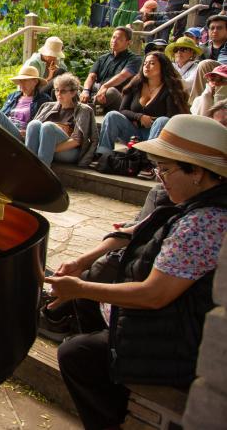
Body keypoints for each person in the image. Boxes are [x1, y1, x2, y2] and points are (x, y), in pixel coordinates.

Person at [46, 114, 227, 430]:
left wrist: (79, 288)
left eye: (165, 169)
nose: (159, 178)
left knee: (76, 354)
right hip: (171, 320)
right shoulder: (193, 202)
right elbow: (136, 230)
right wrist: (84, 262)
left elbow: (154, 295)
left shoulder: (203, 224)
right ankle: (112, 368)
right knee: (89, 294)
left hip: (179, 340)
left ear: (197, 172)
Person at [95, 52, 190, 166]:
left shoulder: (170, 88)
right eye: (145, 63)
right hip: (134, 134)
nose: (146, 66)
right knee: (112, 115)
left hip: (158, 136)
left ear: (163, 67)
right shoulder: (137, 83)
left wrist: (151, 121)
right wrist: (139, 117)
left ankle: (148, 162)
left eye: (152, 63)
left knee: (162, 120)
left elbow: (171, 119)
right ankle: (103, 156)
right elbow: (122, 110)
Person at [25, 73, 97, 167]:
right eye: (56, 90)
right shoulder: (47, 106)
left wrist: (47, 147)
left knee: (48, 126)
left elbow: (76, 141)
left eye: (63, 91)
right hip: (45, 148)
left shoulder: (83, 110)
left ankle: (42, 172)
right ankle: (27, 167)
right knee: (33, 124)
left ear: (73, 92)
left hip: (70, 152)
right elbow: (34, 133)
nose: (58, 94)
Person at [81, 27, 141, 113]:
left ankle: (88, 105)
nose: (114, 40)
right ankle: (90, 104)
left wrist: (105, 86)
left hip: (117, 97)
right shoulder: (103, 58)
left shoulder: (135, 59)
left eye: (119, 39)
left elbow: (123, 76)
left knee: (111, 91)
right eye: (113, 37)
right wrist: (85, 91)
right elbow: (91, 76)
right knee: (70, 85)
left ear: (129, 42)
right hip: (97, 92)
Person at [0, 66, 51, 139]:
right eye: (20, 81)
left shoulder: (43, 99)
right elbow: (2, 114)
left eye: (25, 80)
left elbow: (44, 124)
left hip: (22, 134)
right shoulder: (13, 96)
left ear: (35, 82)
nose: (21, 84)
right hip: (7, 128)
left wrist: (28, 132)